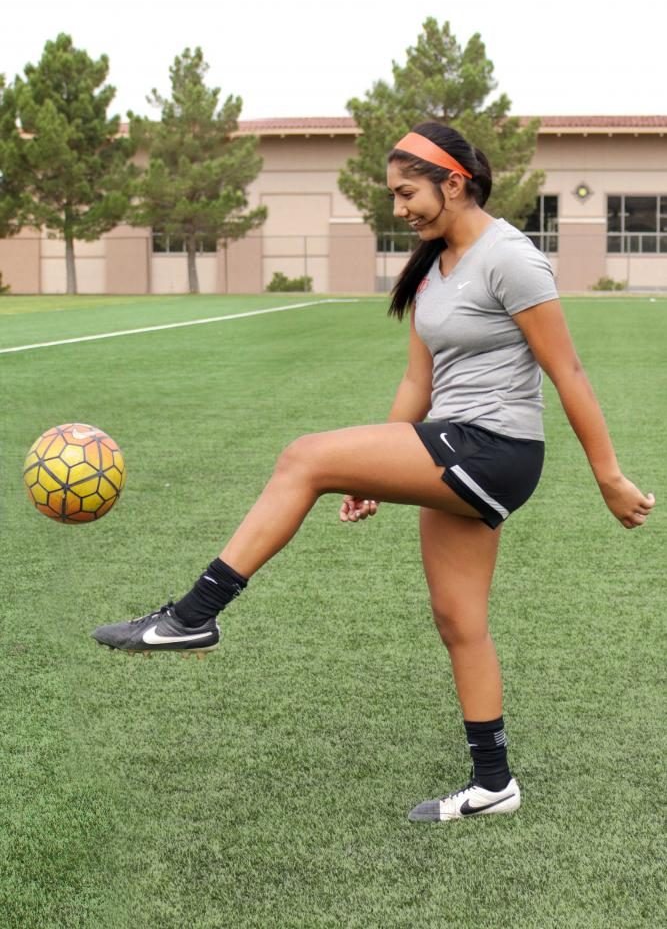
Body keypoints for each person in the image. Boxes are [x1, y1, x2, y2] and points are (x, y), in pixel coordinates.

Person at [92, 121, 655, 823]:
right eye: (393, 196)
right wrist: (375, 468)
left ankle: (191, 616)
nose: (399, 209)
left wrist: (606, 474)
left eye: (407, 192)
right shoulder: (431, 266)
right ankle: (494, 784)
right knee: (458, 621)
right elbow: (418, 380)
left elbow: (565, 368)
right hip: (449, 442)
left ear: (455, 182)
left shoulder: (511, 258)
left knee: (304, 455)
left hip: (493, 447)